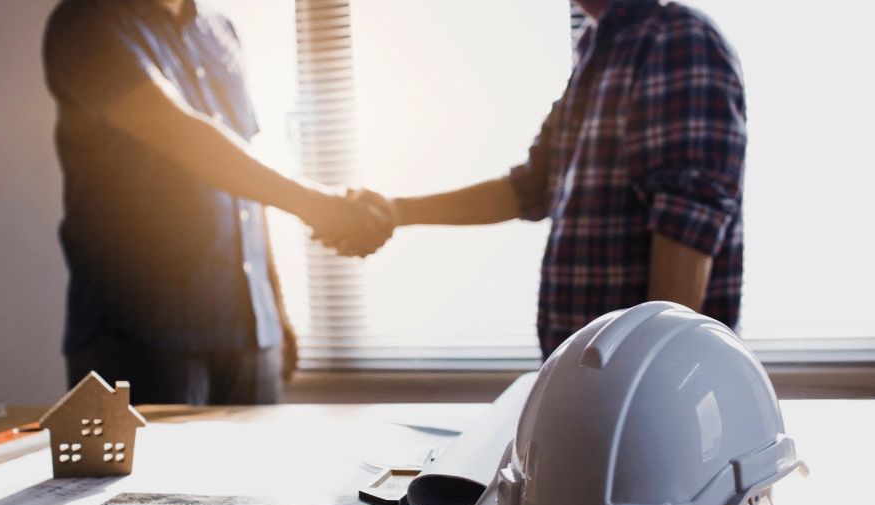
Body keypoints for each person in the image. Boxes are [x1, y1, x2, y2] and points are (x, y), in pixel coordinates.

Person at [341, 0, 747, 359]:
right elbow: (530, 189)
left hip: (639, 394)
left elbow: (688, 218)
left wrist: (651, 381)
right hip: (591, 384)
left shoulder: (676, 38)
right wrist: (394, 211)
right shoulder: (597, 51)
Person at [42, 0, 392, 404]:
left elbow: (242, 174)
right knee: (162, 470)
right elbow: (180, 133)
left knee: (254, 469)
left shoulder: (220, 29)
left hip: (247, 329)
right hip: (138, 332)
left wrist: (273, 307)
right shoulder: (86, 23)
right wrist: (321, 206)